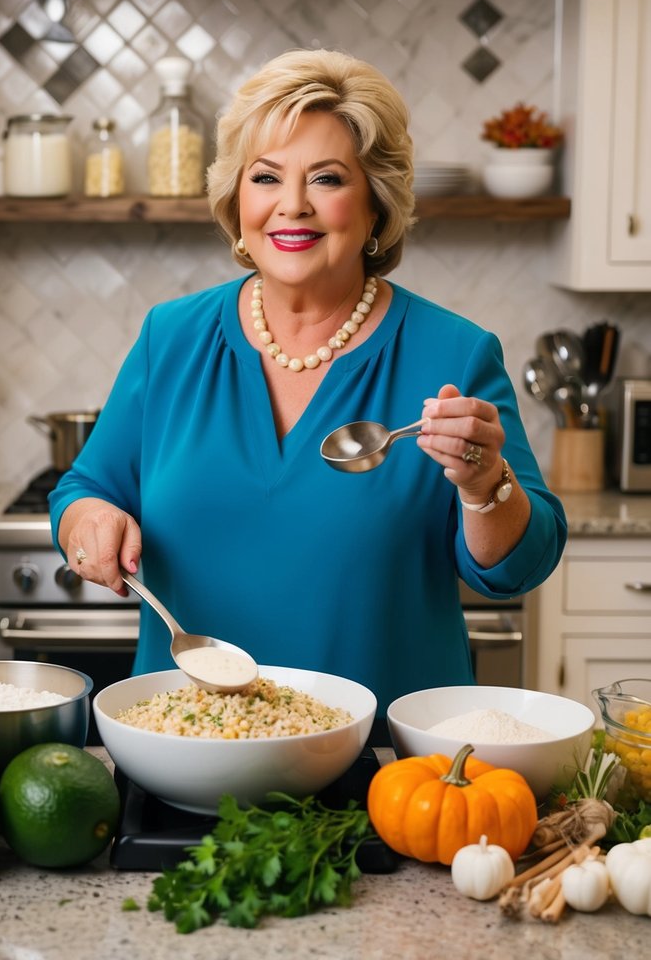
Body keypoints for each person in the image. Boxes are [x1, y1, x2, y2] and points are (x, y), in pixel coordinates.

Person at [50, 49, 566, 712]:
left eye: (325, 179)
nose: (291, 206)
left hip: (387, 765)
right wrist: (89, 521)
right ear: (238, 201)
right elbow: (84, 489)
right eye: (265, 178)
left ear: (375, 205)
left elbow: (517, 570)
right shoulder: (170, 337)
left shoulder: (454, 354)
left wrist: (481, 483)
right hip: (189, 745)